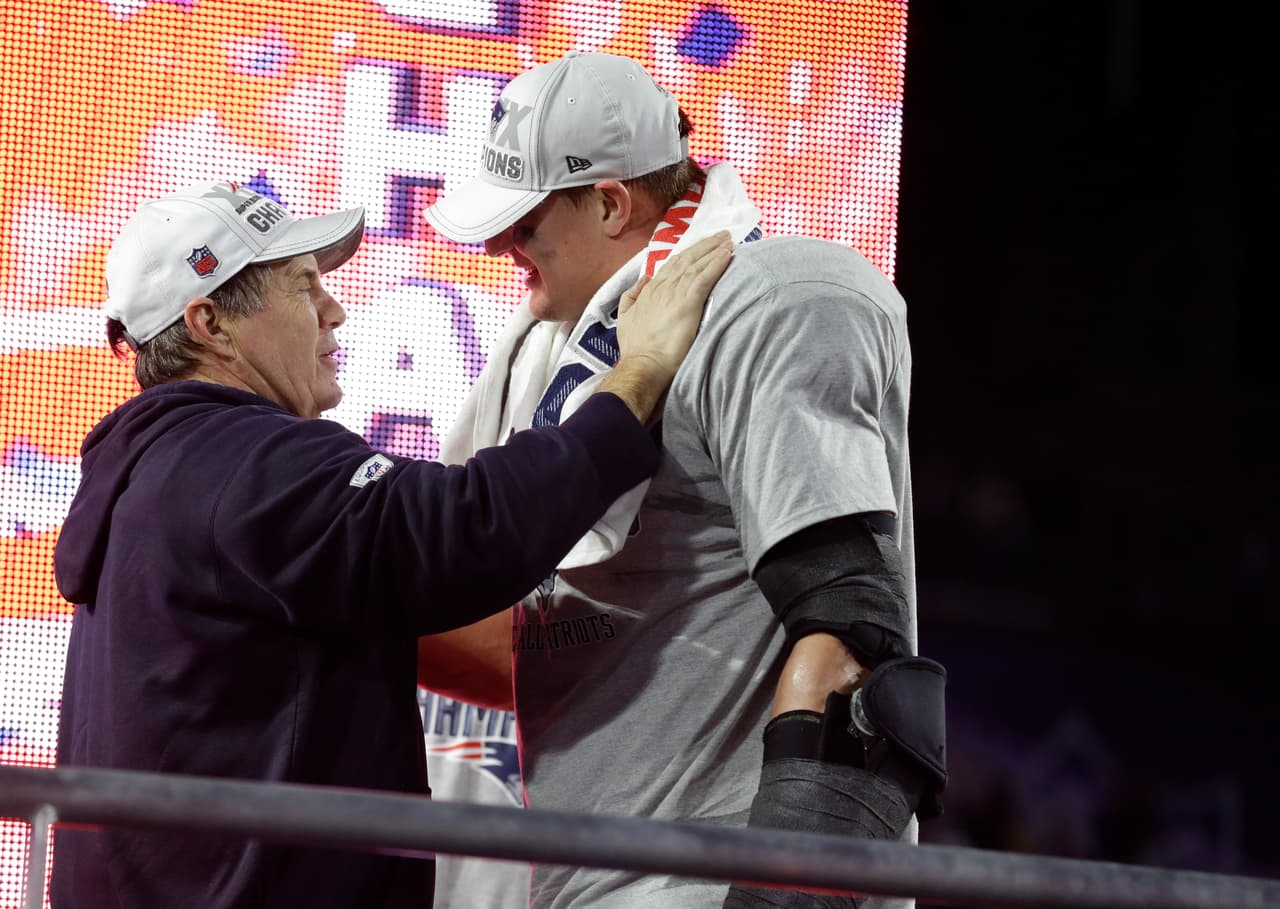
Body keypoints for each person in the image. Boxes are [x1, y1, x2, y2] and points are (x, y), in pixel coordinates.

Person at [50, 179, 732, 908]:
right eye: (303, 287)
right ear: (211, 323)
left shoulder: (162, 468)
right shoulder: (241, 462)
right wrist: (638, 375)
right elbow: (467, 528)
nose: (333, 310)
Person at [420, 52, 948, 909]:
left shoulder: (775, 296)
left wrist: (787, 896)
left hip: (705, 880)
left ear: (609, 202)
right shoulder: (539, 348)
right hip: (576, 874)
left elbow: (854, 643)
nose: (498, 246)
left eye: (524, 223)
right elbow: (460, 577)